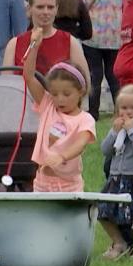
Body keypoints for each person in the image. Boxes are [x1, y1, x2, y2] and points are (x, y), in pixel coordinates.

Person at [22, 46, 96, 194]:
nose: (60, 99)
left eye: (67, 94)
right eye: (54, 94)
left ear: (80, 92)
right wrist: (35, 45)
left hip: (70, 186)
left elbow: (80, 144)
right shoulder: (48, 105)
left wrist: (62, 157)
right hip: (42, 183)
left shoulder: (85, 119)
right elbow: (29, 76)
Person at [96, 84, 133, 261]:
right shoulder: (116, 129)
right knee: (103, 212)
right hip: (117, 178)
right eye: (124, 108)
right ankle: (119, 242)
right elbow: (106, 150)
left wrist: (132, 131)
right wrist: (115, 132)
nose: (128, 112)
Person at [3, 0, 90, 81]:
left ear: (56, 9)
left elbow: (84, 83)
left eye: (50, 7)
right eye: (40, 7)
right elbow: (7, 85)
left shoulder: (70, 42)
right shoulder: (14, 44)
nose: (45, 12)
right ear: (29, 9)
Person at [78, 0, 124, 118]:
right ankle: (120, 109)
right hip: (115, 35)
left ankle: (94, 111)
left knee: (94, 74)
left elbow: (80, 6)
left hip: (93, 36)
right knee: (114, 74)